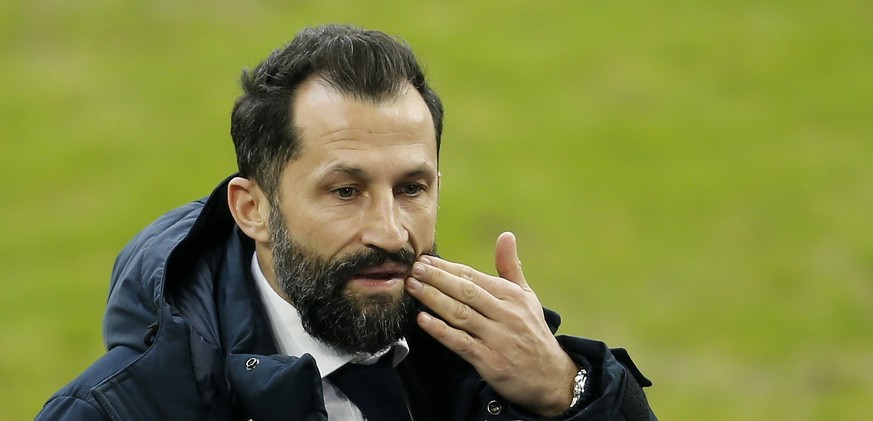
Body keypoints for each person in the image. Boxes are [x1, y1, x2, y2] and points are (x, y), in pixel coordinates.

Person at [36, 24, 656, 420]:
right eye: (345, 190)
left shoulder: (502, 365)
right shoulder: (123, 409)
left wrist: (569, 393)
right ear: (252, 209)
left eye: (412, 187)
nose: (390, 231)